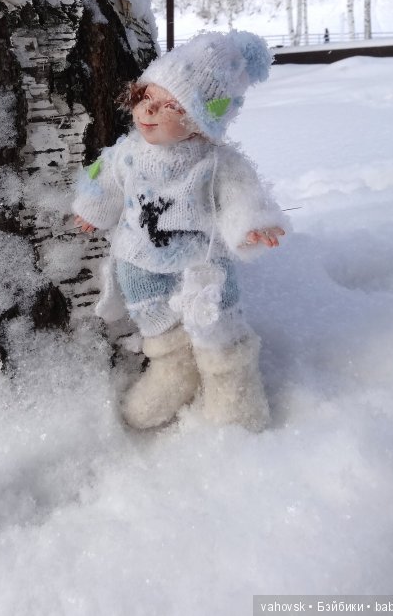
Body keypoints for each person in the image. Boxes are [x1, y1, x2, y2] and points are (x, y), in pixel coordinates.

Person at [72, 31, 287, 432]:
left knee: (217, 317)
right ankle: (174, 368)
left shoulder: (215, 162)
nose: (149, 112)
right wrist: (93, 208)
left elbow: (241, 194)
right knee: (151, 313)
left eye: (170, 106)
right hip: (138, 255)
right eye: (146, 98)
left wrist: (253, 224)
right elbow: (104, 178)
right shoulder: (128, 152)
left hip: (202, 261)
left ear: (201, 119)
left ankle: (232, 383)